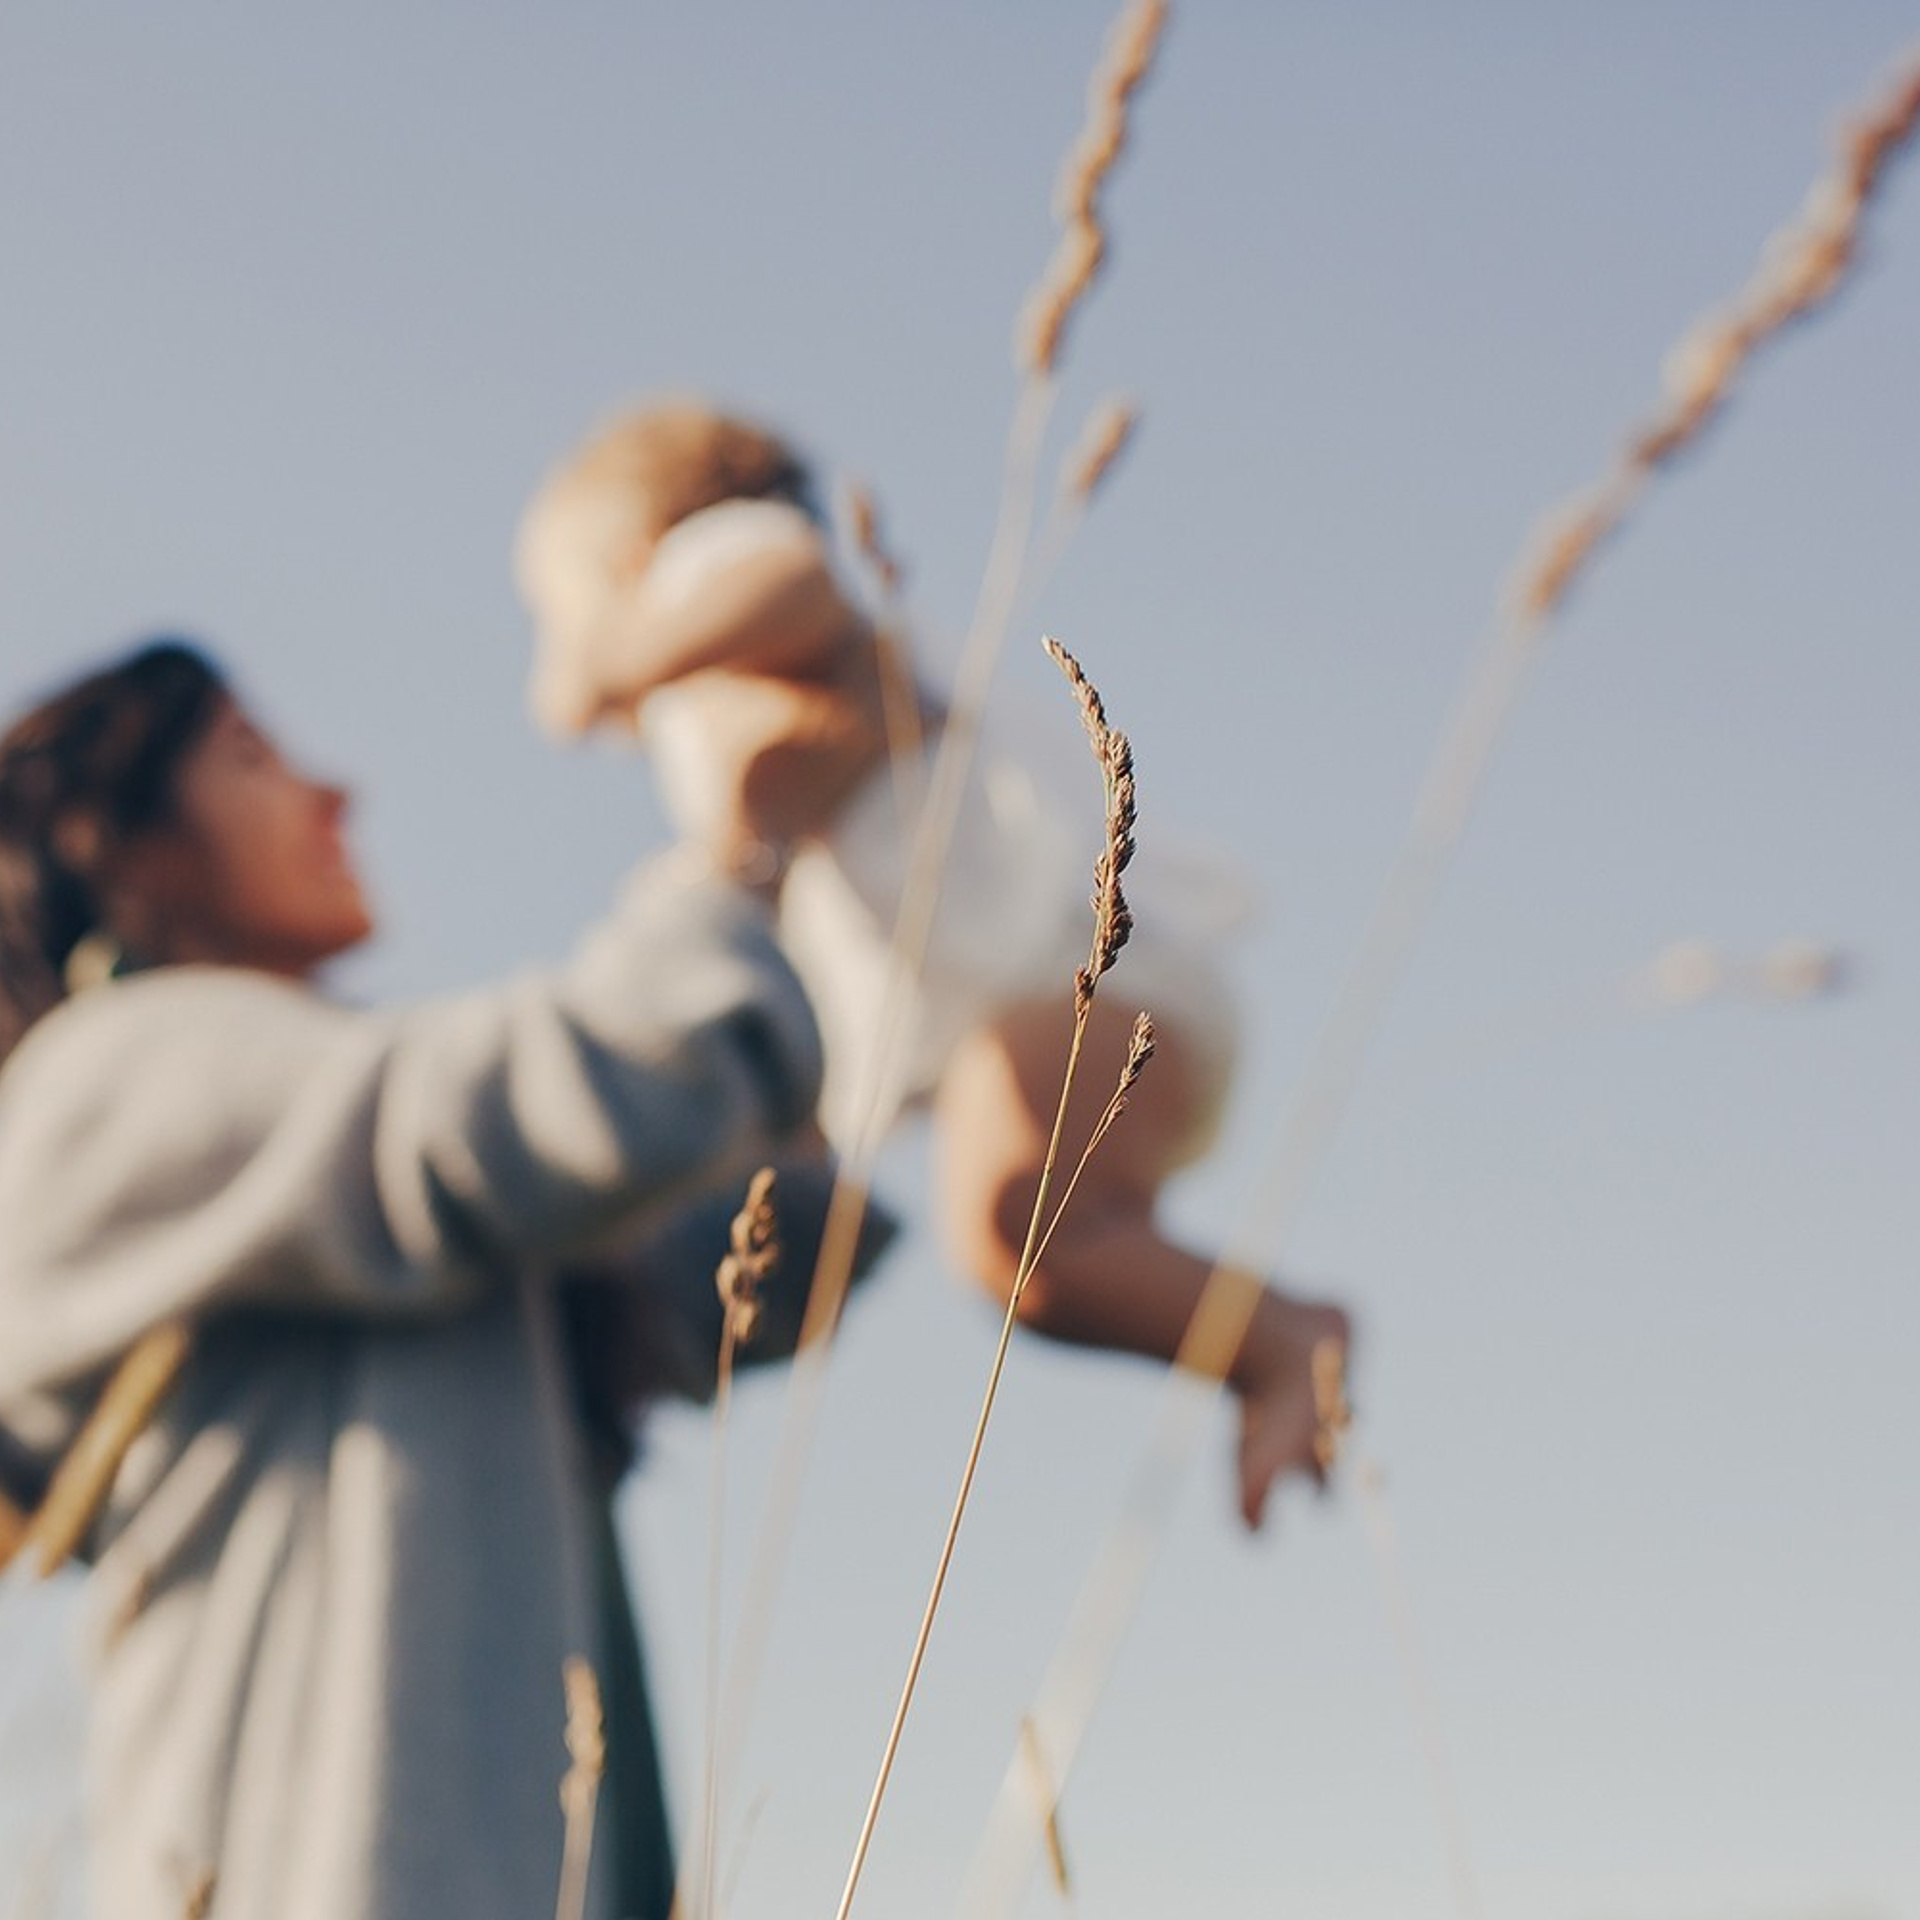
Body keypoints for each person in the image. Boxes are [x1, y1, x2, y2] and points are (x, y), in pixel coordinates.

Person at [0, 639, 829, 1920]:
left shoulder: (327, 1137)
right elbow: (582, 1099)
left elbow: (719, 1272)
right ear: (121, 843)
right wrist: (728, 866)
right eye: (251, 758)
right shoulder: (110, 1074)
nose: (336, 794)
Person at [515, 399, 1353, 1533]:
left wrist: (609, 660)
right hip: (1034, 1005)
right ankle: (1270, 1343)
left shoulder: (715, 570)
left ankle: (1284, 1339)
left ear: (629, 556)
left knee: (1018, 1233)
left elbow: (794, 582)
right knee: (1035, 1261)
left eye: (554, 609)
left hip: (1076, 965)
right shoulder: (736, 697)